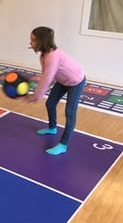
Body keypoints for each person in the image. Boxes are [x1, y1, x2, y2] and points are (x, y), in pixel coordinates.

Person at [24, 26, 86, 155]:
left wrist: (37, 95)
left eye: (33, 40)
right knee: (50, 103)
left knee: (70, 112)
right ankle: (52, 128)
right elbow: (46, 76)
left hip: (76, 82)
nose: (30, 43)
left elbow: (47, 78)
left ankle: (63, 145)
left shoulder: (53, 56)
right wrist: (38, 91)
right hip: (62, 81)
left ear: (42, 41)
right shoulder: (44, 56)